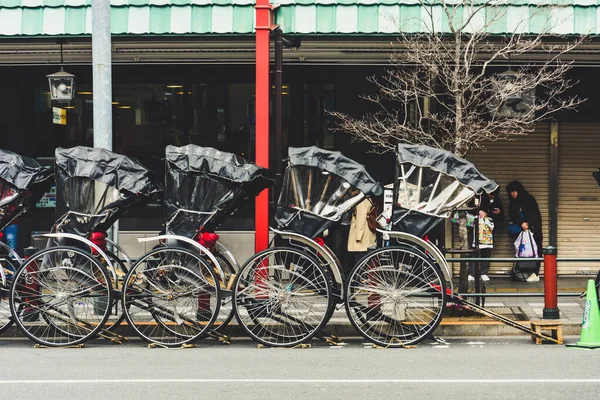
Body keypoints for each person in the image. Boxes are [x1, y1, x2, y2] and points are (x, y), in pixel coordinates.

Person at [506, 180, 543, 282]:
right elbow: (513, 215)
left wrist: (528, 223)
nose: (512, 194)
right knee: (522, 252)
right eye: (510, 192)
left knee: (535, 250)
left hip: (533, 230)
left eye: (514, 191)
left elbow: (535, 214)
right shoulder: (512, 203)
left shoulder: (529, 200)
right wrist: (521, 223)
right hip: (521, 231)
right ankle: (523, 273)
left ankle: (535, 273)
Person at [469, 188, 504, 282]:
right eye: (490, 194)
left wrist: (497, 213)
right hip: (476, 227)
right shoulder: (477, 196)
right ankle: (472, 273)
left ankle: (483, 272)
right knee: (473, 249)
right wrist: (478, 211)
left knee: (487, 250)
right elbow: (469, 209)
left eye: (493, 195)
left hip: (488, 228)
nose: (491, 197)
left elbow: (501, 218)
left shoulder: (496, 201)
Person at [347, 197, 377, 268]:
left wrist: (358, 236)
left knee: (359, 262)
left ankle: (359, 278)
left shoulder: (361, 202)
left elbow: (361, 219)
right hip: (367, 233)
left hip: (362, 236)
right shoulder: (368, 200)